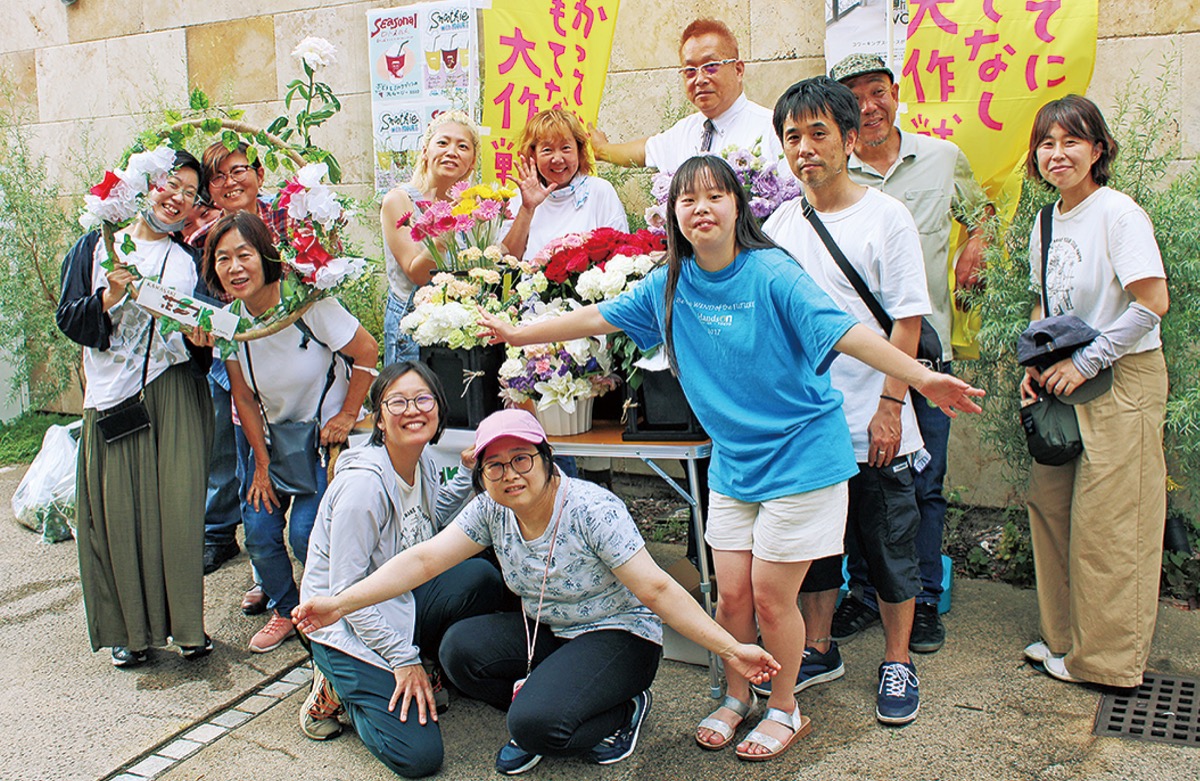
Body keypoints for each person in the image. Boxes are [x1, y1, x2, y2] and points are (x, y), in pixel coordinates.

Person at [475, 155, 984, 759]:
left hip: (801, 456)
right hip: (737, 463)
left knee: (772, 597)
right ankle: (739, 695)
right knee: (732, 597)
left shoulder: (771, 273)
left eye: (715, 196)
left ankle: (785, 707)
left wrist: (920, 379)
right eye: (688, 200)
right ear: (675, 215)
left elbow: (846, 332)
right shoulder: (672, 283)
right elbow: (598, 317)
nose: (701, 209)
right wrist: (516, 334)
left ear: (738, 206)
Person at [294, 408, 783, 774]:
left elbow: (656, 588)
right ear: (482, 476)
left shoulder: (592, 509)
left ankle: (621, 708)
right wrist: (339, 603)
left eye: (522, 459)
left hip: (617, 635)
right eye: (495, 466)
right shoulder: (491, 510)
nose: (510, 475)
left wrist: (731, 647)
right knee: (458, 651)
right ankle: (554, 696)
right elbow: (424, 560)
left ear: (548, 461)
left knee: (533, 727)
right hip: (548, 630)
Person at [762, 77, 930, 726]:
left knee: (889, 543)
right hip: (808, 424)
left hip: (874, 415)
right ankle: (820, 646)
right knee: (816, 544)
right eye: (792, 136)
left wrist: (892, 402)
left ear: (851, 139)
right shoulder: (779, 223)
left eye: (818, 133)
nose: (804, 148)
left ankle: (897, 657)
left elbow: (907, 321)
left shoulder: (886, 217)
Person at [830, 53, 992, 654]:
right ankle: (865, 593)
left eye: (878, 91)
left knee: (922, 482)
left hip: (924, 355)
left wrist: (977, 240)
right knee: (857, 481)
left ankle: (922, 599)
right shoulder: (831, 172)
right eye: (854, 97)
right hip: (848, 363)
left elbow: (983, 213)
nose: (869, 106)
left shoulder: (943, 157)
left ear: (896, 93)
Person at [1019, 95, 1168, 689]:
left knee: (1112, 523)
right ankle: (1064, 640)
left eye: (1071, 141)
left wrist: (1087, 361)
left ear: (1097, 149)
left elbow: (1151, 303)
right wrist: (1032, 364)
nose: (1057, 154)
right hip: (1062, 381)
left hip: (1121, 380)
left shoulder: (1119, 214)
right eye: (1046, 144)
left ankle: (1106, 662)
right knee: (1051, 508)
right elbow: (1044, 303)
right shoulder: (1048, 219)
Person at [296, 361, 507, 776]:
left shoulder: (419, 457)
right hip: (342, 623)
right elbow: (346, 596)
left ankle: (420, 664)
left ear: (439, 407)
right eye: (398, 401)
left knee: (479, 577)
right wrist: (402, 658)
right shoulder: (363, 487)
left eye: (423, 398)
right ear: (378, 417)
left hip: (399, 599)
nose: (413, 410)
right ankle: (336, 686)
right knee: (419, 757)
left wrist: (468, 472)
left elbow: (432, 515)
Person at [57, 150, 215, 667]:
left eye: (190, 193)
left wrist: (201, 339)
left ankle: (189, 628)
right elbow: (69, 318)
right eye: (172, 185)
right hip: (112, 398)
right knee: (118, 513)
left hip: (172, 392)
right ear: (146, 184)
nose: (178, 198)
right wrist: (107, 299)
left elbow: (203, 341)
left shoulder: (188, 260)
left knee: (178, 510)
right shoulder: (97, 247)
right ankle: (131, 633)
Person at [203, 211, 378, 653]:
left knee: (305, 532)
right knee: (259, 530)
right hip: (276, 442)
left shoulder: (309, 304)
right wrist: (260, 465)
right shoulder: (229, 323)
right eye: (223, 259)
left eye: (244, 255)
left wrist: (347, 413)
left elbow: (367, 352)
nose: (235, 267)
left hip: (324, 442)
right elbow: (242, 397)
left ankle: (337, 608)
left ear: (265, 256)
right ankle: (289, 608)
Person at [195, 140, 292, 598]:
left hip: (295, 356)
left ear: (259, 172)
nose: (231, 182)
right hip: (236, 359)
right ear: (209, 190)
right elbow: (201, 300)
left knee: (303, 458)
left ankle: (314, 564)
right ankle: (263, 574)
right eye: (218, 177)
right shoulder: (203, 234)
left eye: (239, 170)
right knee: (242, 459)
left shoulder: (291, 212)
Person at [589, 19, 783, 173]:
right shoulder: (685, 132)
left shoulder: (773, 129)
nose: (699, 79)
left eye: (710, 66)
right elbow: (643, 153)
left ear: (738, 70)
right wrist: (601, 150)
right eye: (690, 70)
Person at [380, 110, 480, 365]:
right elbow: (417, 273)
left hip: (461, 330)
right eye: (443, 142)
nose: (451, 151)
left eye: (462, 146)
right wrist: (447, 227)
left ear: (472, 161)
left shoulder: (472, 205)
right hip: (412, 332)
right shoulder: (399, 200)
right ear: (425, 151)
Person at [500, 109, 628, 261]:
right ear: (533, 154)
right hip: (531, 283)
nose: (557, 159)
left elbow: (621, 255)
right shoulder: (520, 197)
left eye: (566, 148)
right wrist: (527, 209)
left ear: (579, 150)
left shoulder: (600, 191)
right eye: (547, 150)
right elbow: (508, 259)